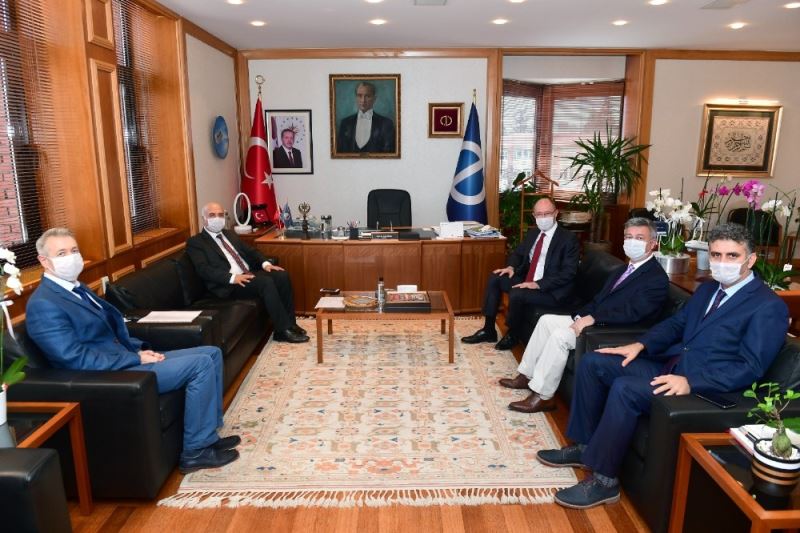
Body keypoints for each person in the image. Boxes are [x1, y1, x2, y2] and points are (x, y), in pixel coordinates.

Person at [537, 223, 789, 509]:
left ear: (751, 259)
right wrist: (640, 345)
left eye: (732, 256)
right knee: (594, 362)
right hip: (672, 366)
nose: (722, 262)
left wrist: (692, 382)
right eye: (716, 255)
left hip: (704, 388)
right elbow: (676, 324)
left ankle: (605, 482)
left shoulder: (768, 306)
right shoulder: (708, 289)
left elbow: (750, 366)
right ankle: (584, 447)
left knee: (625, 388)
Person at [25, 228, 240, 474]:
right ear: (44, 261)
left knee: (211, 352)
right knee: (200, 364)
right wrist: (134, 358)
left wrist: (142, 350)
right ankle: (196, 452)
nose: (71, 257)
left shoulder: (75, 288)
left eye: (74, 250)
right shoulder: (44, 303)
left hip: (124, 361)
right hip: (109, 376)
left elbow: (112, 332)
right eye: (62, 253)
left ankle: (208, 436)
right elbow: (75, 358)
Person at [499, 218, 669, 414]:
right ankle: (526, 375)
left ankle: (543, 396)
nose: (632, 242)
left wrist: (594, 319)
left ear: (652, 243)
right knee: (546, 321)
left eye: (639, 238)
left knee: (561, 336)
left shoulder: (656, 278)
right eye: (628, 237)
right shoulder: (624, 269)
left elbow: (634, 313)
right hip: (595, 319)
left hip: (612, 330)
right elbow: (600, 299)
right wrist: (580, 315)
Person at [462, 197, 580, 350]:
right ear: (534, 216)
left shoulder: (568, 239)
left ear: (556, 213)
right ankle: (489, 329)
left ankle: (513, 335)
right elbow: (518, 254)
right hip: (528, 280)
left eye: (547, 214)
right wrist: (511, 267)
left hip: (551, 290)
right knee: (496, 277)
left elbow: (568, 273)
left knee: (517, 293)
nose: (543, 218)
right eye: (539, 214)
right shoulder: (533, 233)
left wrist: (537, 284)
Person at [186, 202, 309, 343]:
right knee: (265, 282)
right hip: (229, 284)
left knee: (281, 275)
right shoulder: (196, 242)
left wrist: (266, 264)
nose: (217, 218)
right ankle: (282, 331)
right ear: (204, 219)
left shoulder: (229, 234)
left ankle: (290, 324)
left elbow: (251, 251)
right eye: (212, 215)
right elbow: (203, 270)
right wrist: (233, 278)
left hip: (247, 274)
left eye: (220, 215)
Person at [336, 81, 395, 153]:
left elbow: (389, 153)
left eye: (367, 96)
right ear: (356, 97)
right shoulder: (345, 123)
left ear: (374, 99)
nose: (363, 100)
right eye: (359, 95)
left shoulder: (386, 123)